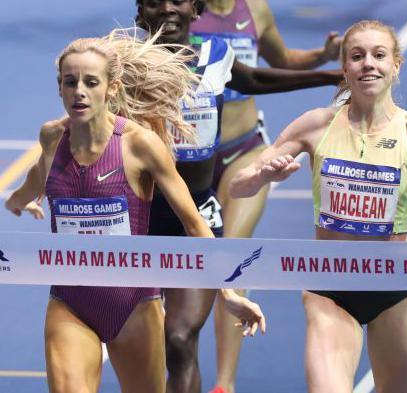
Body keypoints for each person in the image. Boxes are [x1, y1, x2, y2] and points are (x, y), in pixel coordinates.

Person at [5, 29, 266, 393]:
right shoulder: (51, 137)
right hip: (70, 301)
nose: (79, 90)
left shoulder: (139, 144)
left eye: (90, 81)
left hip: (134, 303)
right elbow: (37, 177)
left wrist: (228, 293)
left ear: (111, 88)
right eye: (70, 81)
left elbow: (195, 225)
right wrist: (18, 200)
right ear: (60, 88)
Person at [135, 1, 340, 392]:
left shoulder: (216, 56)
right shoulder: (122, 64)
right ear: (139, 10)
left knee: (179, 337)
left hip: (197, 216)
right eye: (155, 0)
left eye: (178, 0)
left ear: (194, 9)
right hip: (140, 216)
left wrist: (330, 77)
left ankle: (223, 382)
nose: (167, 9)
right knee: (149, 345)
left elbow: (257, 80)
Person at [230, 20, 407, 392]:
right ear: (345, 67)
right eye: (357, 56)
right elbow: (237, 187)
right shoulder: (316, 125)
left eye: (379, 55)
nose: (368, 64)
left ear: (396, 65)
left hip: (394, 287)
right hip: (330, 284)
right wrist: (264, 175)